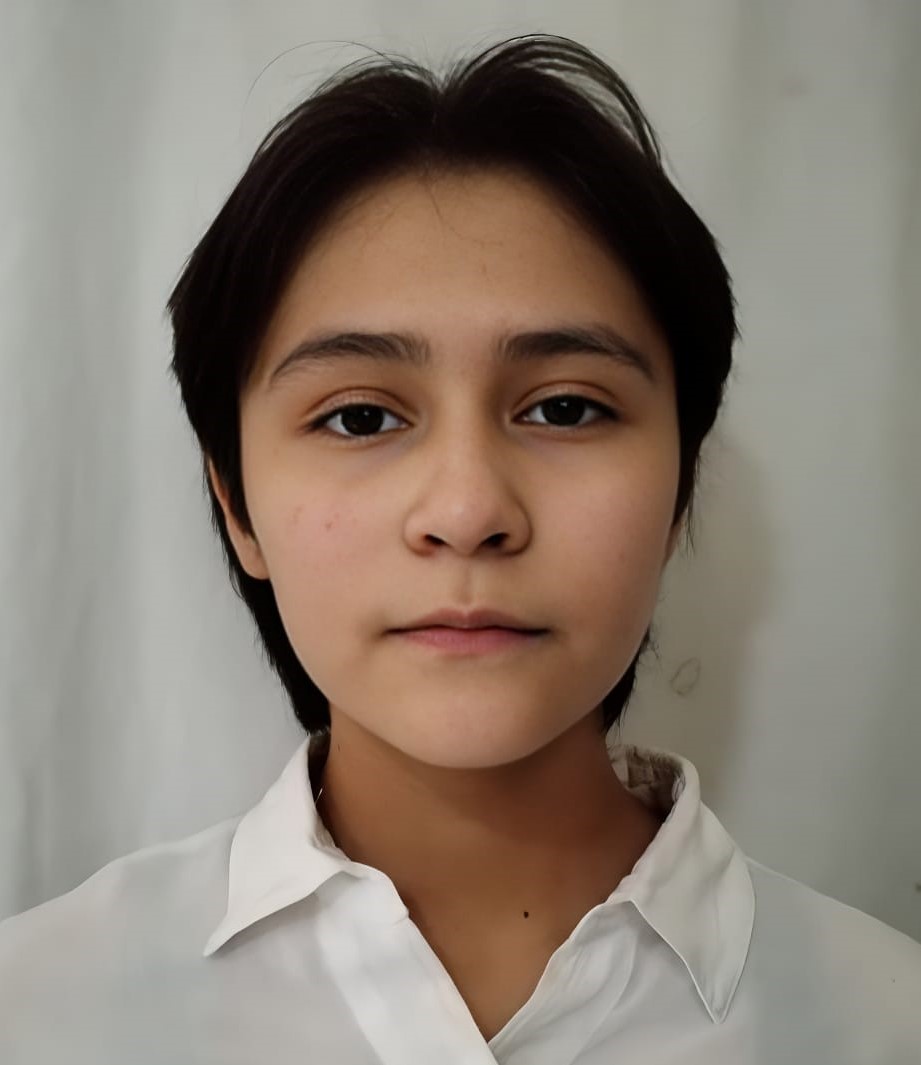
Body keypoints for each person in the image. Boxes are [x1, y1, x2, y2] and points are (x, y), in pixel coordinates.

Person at [1, 33, 918, 1064]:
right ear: (237, 505)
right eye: (360, 418)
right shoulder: (37, 1012)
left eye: (565, 407)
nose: (469, 509)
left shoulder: (886, 1024)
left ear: (679, 491)